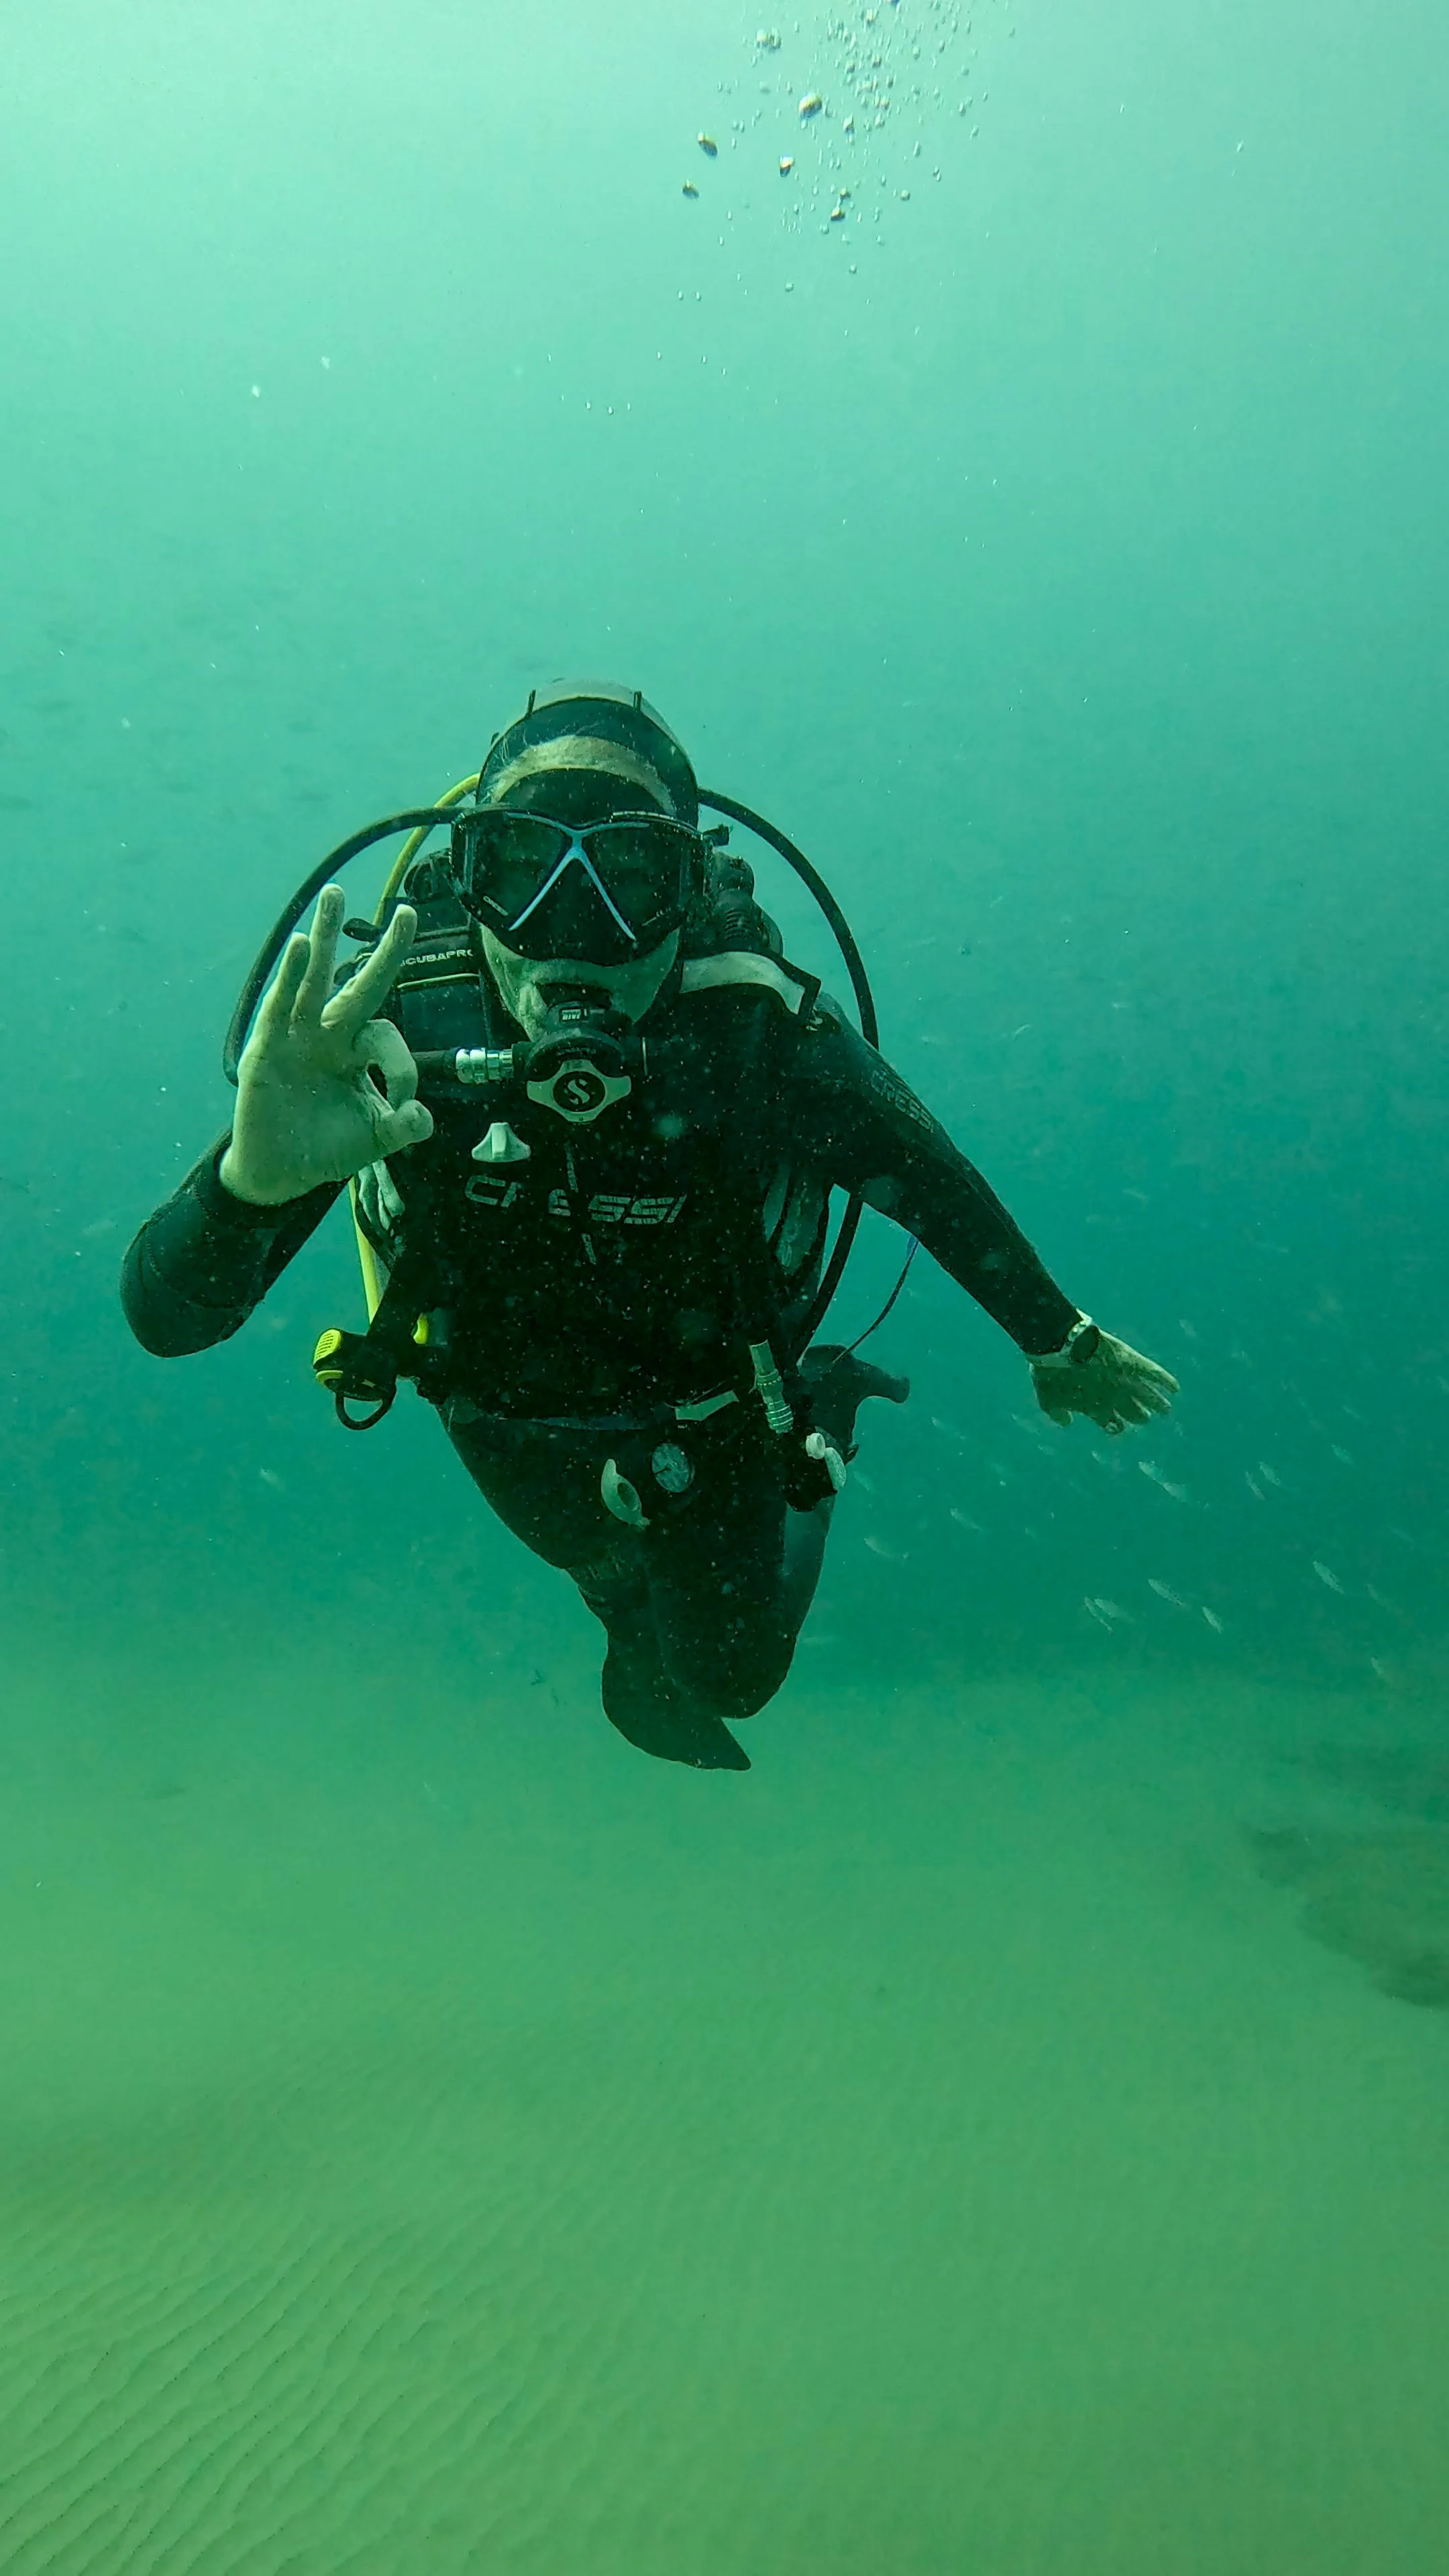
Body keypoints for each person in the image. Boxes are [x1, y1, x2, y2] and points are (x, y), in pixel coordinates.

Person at [121, 680, 1177, 1772]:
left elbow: (935, 1183)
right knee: (586, 1555)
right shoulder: (382, 1039)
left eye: (629, 877)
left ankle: (827, 1401)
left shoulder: (761, 1040)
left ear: (689, 891)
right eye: (525, 874)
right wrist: (251, 1179)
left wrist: (1059, 1341)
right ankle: (628, 1611)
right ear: (468, 881)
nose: (571, 937)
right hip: (492, 1398)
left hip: (716, 1404)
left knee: (736, 1675)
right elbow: (164, 1320)